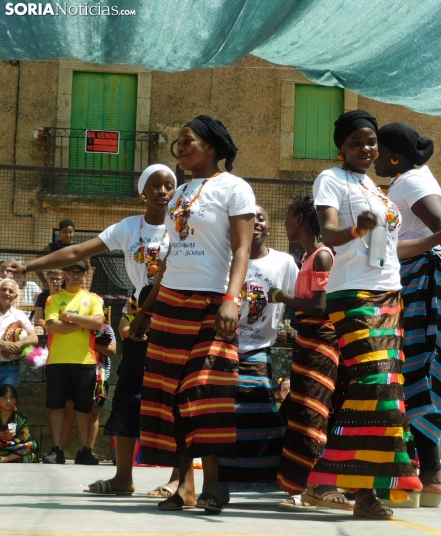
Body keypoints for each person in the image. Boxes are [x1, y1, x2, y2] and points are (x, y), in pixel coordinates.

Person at [309, 110, 441, 520]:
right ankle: (325, 479)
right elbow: (327, 233)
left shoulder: (376, 189)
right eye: (356, 143)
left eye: (371, 143)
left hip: (389, 295)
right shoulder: (330, 180)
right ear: (341, 147)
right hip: (352, 294)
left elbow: (397, 250)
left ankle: (365, 493)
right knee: (374, 385)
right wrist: (355, 232)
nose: (366, 149)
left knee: (387, 392)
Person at [2, 164, 177, 494]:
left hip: (174, 319)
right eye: (155, 185)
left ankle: (178, 479)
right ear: (142, 192)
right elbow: (77, 251)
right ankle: (124, 478)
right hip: (141, 323)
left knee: (175, 400)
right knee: (127, 396)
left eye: (169, 185)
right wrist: (28, 265)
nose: (163, 191)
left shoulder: (182, 227)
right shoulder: (129, 227)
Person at [130, 115, 255, 514]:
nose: (180, 148)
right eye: (179, 143)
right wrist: (146, 311)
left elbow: (242, 250)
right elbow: (170, 256)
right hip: (170, 304)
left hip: (211, 303)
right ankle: (183, 485)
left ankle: (213, 485)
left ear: (213, 147)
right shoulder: (181, 192)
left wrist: (232, 299)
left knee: (205, 393)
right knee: (169, 396)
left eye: (188, 141)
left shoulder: (235, 188)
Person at [375, 121, 441, 506]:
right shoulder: (405, 180)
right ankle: (425, 472)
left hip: (426, 281)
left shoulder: (411, 181)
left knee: (419, 369)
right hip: (416, 278)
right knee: (416, 370)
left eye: (379, 151)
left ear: (396, 156)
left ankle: (430, 473)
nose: (374, 159)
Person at [271, 194, 350, 510]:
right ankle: (301, 485)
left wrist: (281, 296)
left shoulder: (321, 257)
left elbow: (319, 306)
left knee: (314, 413)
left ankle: (318, 485)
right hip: (306, 344)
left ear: (301, 220)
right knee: (301, 413)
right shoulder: (307, 257)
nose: (286, 222)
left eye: (289, 216)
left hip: (321, 345)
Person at [217, 205, 297, 498]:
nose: (256, 224)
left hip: (260, 350)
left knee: (262, 413)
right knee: (227, 416)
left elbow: (294, 300)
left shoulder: (284, 263)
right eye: (249, 220)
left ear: (269, 225)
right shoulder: (226, 260)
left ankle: (264, 478)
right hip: (225, 348)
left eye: (261, 218)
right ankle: (224, 480)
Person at [41, 261, 105, 465]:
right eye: (71, 271)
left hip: (85, 360)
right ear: (65, 274)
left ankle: (85, 450)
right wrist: (81, 323)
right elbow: (52, 326)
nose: (75, 275)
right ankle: (56, 450)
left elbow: (97, 322)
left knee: (84, 408)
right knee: (56, 406)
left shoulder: (92, 298)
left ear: (84, 276)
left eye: (80, 272)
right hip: (57, 360)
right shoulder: (53, 298)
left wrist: (68, 317)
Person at [61, 322, 117, 460]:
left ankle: (87, 451)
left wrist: (92, 343)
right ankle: (58, 450)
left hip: (99, 374)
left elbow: (112, 350)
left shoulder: (106, 329)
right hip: (75, 371)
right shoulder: (73, 326)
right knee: (69, 410)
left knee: (94, 412)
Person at [0, 279, 38, 388]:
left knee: (8, 404)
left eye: (10, 291)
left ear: (15, 297)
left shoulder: (19, 315)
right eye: (4, 289)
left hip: (10, 368)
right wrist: (3, 344)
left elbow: (34, 338)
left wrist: (18, 345)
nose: (7, 293)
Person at [38, 219, 94, 289]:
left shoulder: (79, 247)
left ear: (74, 232)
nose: (68, 235)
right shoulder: (53, 246)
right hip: (56, 288)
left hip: (74, 287)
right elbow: (38, 261)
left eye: (70, 232)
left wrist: (87, 286)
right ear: (60, 232)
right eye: (65, 232)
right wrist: (44, 281)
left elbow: (89, 267)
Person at [0, 384, 38, 463]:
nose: (8, 401)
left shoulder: (20, 418)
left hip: (13, 447)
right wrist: (2, 437)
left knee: (34, 444)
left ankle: (4, 459)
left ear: (16, 400)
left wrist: (11, 441)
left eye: (12, 397)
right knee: (29, 457)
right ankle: (16, 458)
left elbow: (25, 436)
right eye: (4, 398)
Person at [33, 269, 63, 335]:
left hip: (62, 324)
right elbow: (38, 319)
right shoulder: (42, 296)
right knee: (37, 330)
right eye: (52, 279)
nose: (54, 281)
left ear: (62, 281)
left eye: (57, 279)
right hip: (46, 324)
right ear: (47, 280)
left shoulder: (65, 295)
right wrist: (48, 326)